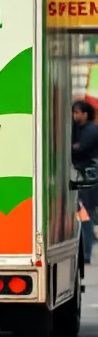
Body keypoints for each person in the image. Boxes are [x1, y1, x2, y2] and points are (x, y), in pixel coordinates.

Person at [72, 100, 98, 264]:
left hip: (89, 178)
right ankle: (85, 250)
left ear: (85, 114)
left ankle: (87, 252)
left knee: (86, 214)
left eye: (78, 112)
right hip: (80, 177)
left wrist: (73, 146)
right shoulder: (78, 128)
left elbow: (79, 148)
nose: (75, 115)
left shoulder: (91, 130)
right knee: (81, 214)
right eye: (74, 112)